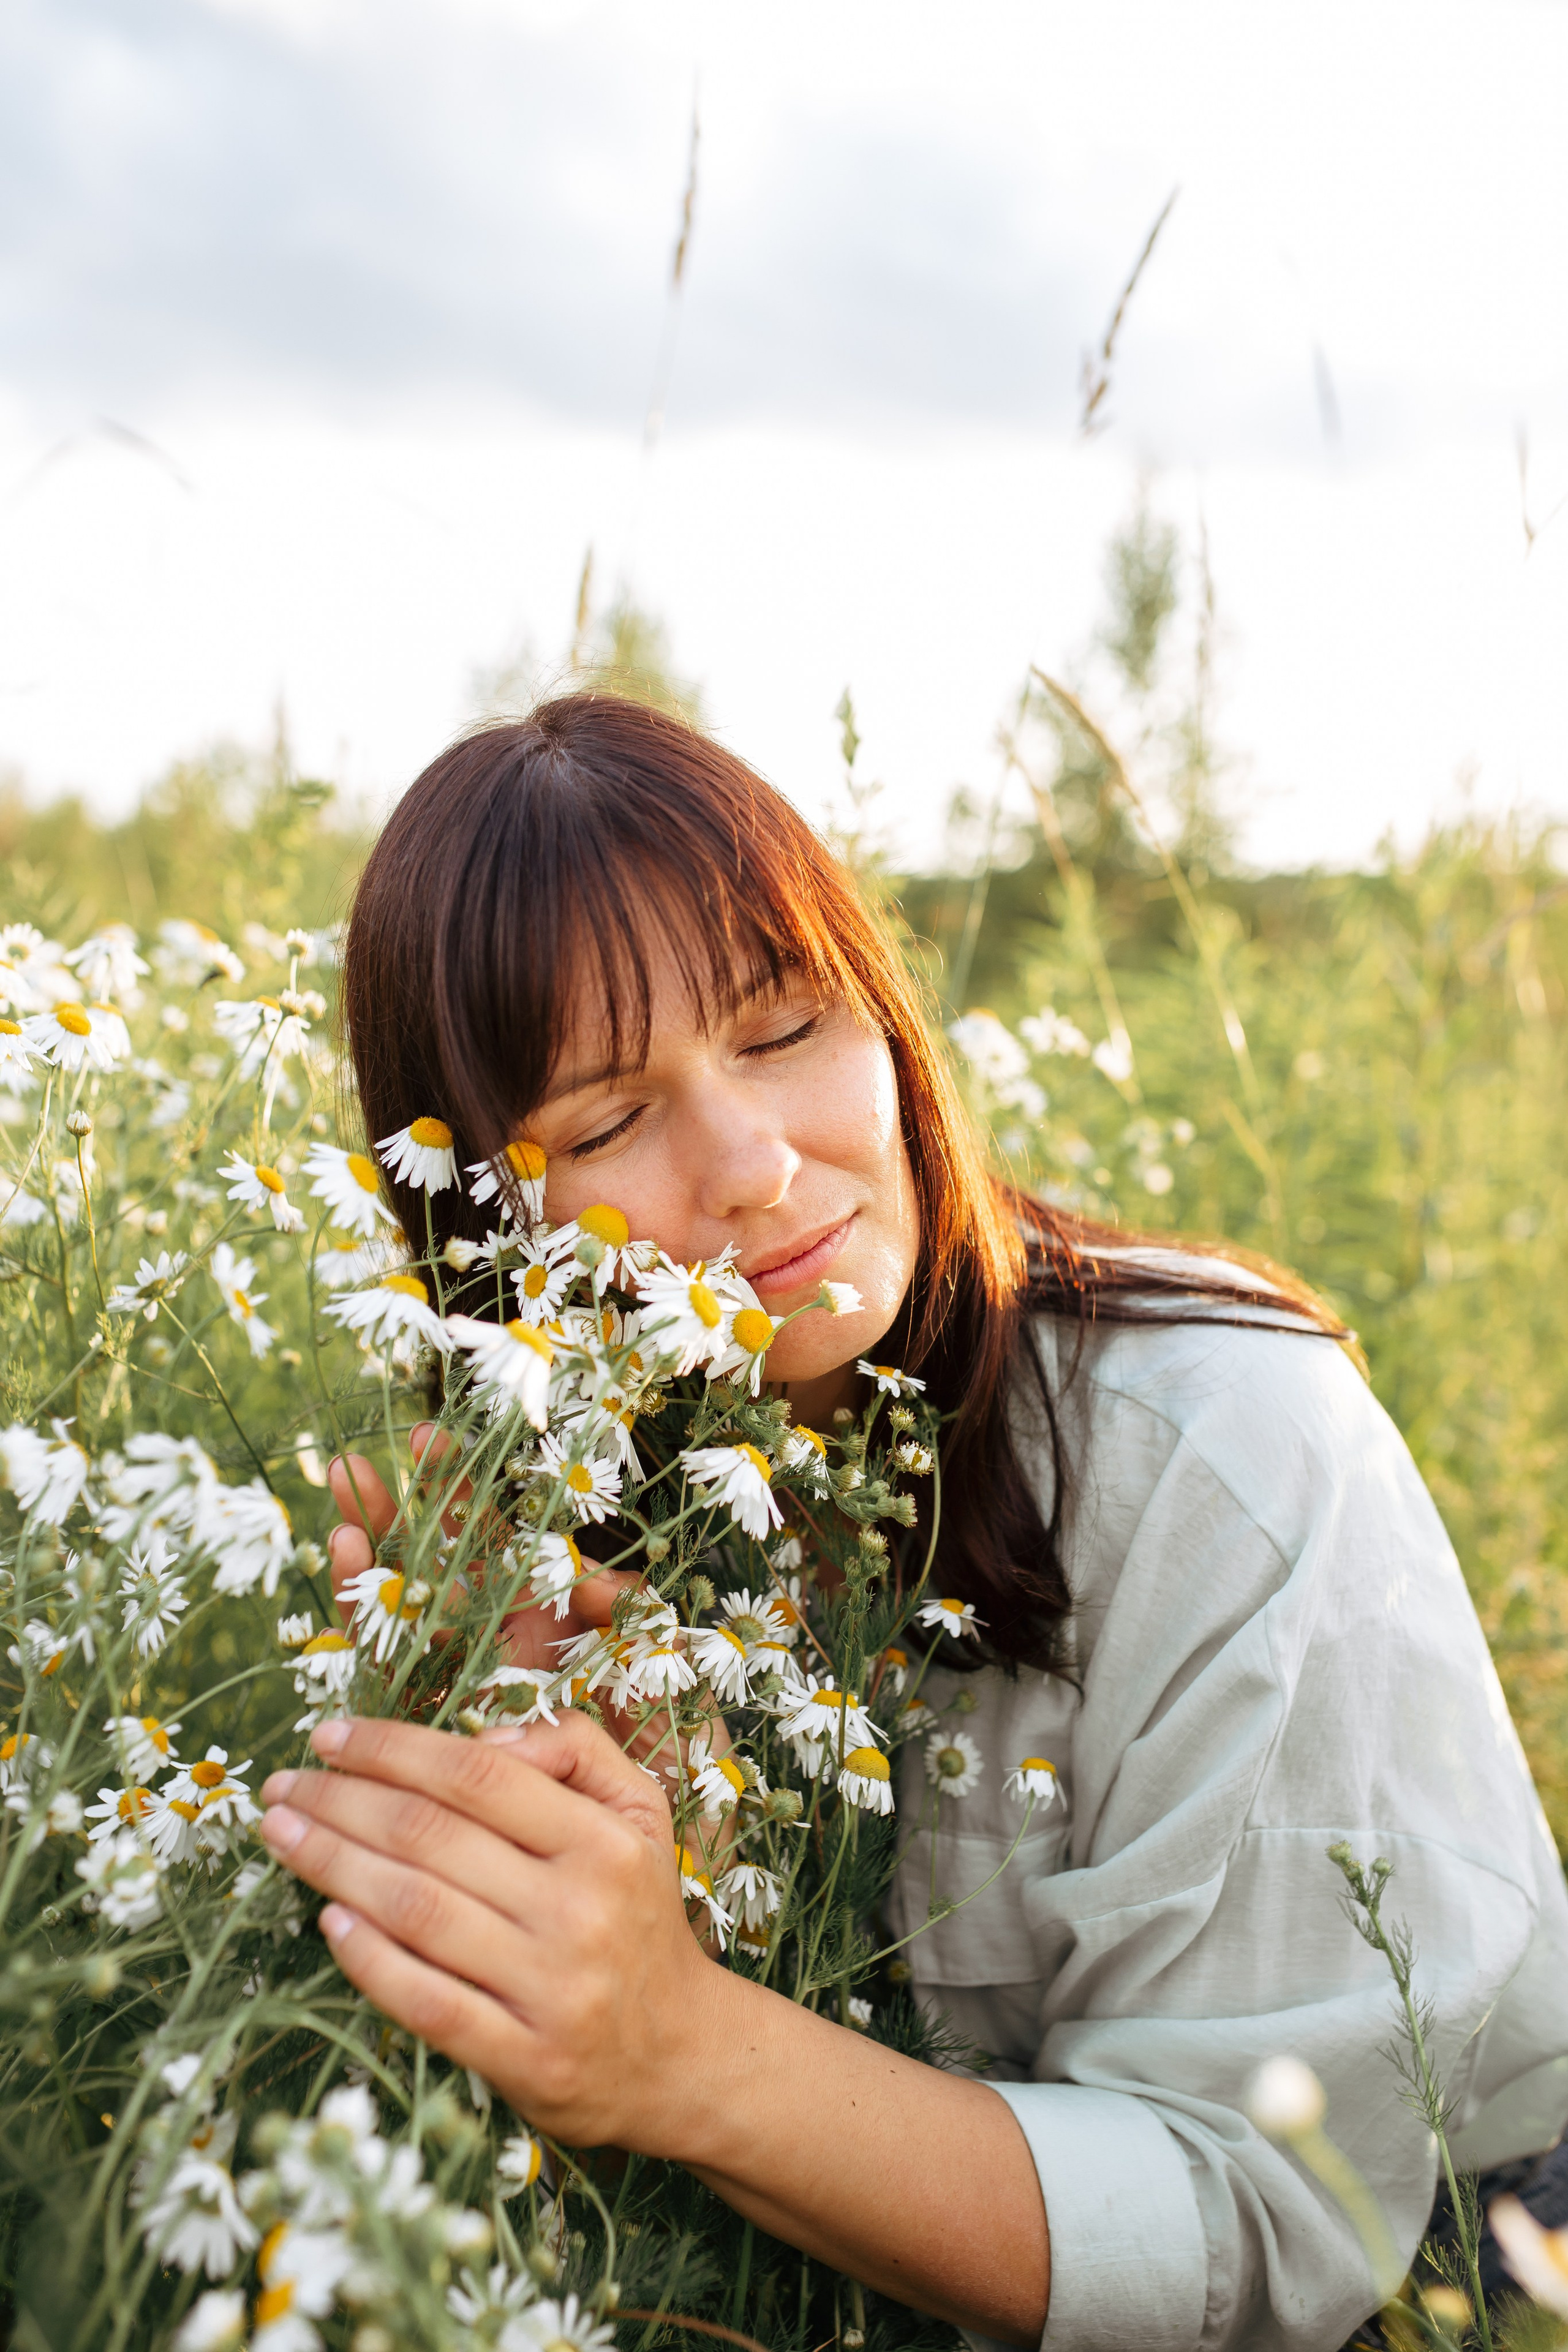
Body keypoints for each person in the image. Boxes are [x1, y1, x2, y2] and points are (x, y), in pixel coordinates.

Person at [257, 695, 1568, 2352]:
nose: (751, 1163)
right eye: (605, 1122)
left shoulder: (1225, 1450)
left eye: (785, 1026)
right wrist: (578, 1808)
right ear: (486, 1229)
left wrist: (677, 2044)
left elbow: (1264, 2232)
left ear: (884, 1014)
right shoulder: (576, 1514)